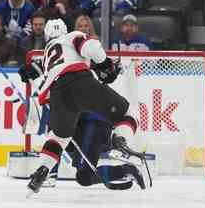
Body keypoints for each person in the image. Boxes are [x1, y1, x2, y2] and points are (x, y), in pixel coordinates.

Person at [18, 19, 148, 195]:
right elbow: (93, 49)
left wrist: (30, 71)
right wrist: (106, 64)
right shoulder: (74, 37)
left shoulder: (48, 56)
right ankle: (120, 139)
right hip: (84, 96)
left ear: (47, 37)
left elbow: (40, 77)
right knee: (127, 113)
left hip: (67, 102)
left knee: (58, 138)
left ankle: (42, 169)